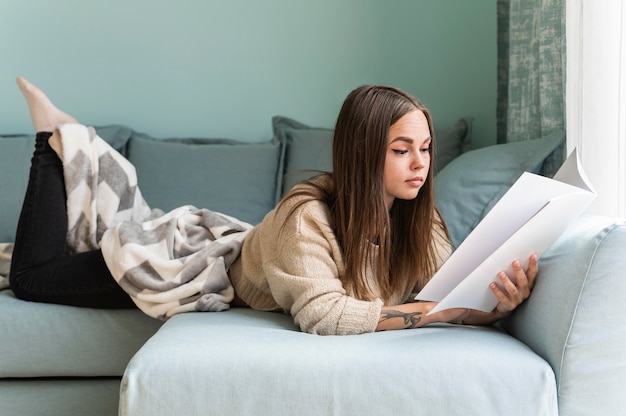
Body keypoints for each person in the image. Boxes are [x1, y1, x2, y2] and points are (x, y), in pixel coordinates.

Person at [10, 77, 538, 335]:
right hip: (188, 269)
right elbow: (323, 315)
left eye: (425, 149)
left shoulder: (419, 219)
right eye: (401, 150)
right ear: (360, 153)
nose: (419, 164)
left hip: (236, 246)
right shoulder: (306, 215)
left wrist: (493, 305)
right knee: (32, 278)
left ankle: (81, 150)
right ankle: (54, 141)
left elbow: (443, 288)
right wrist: (436, 314)